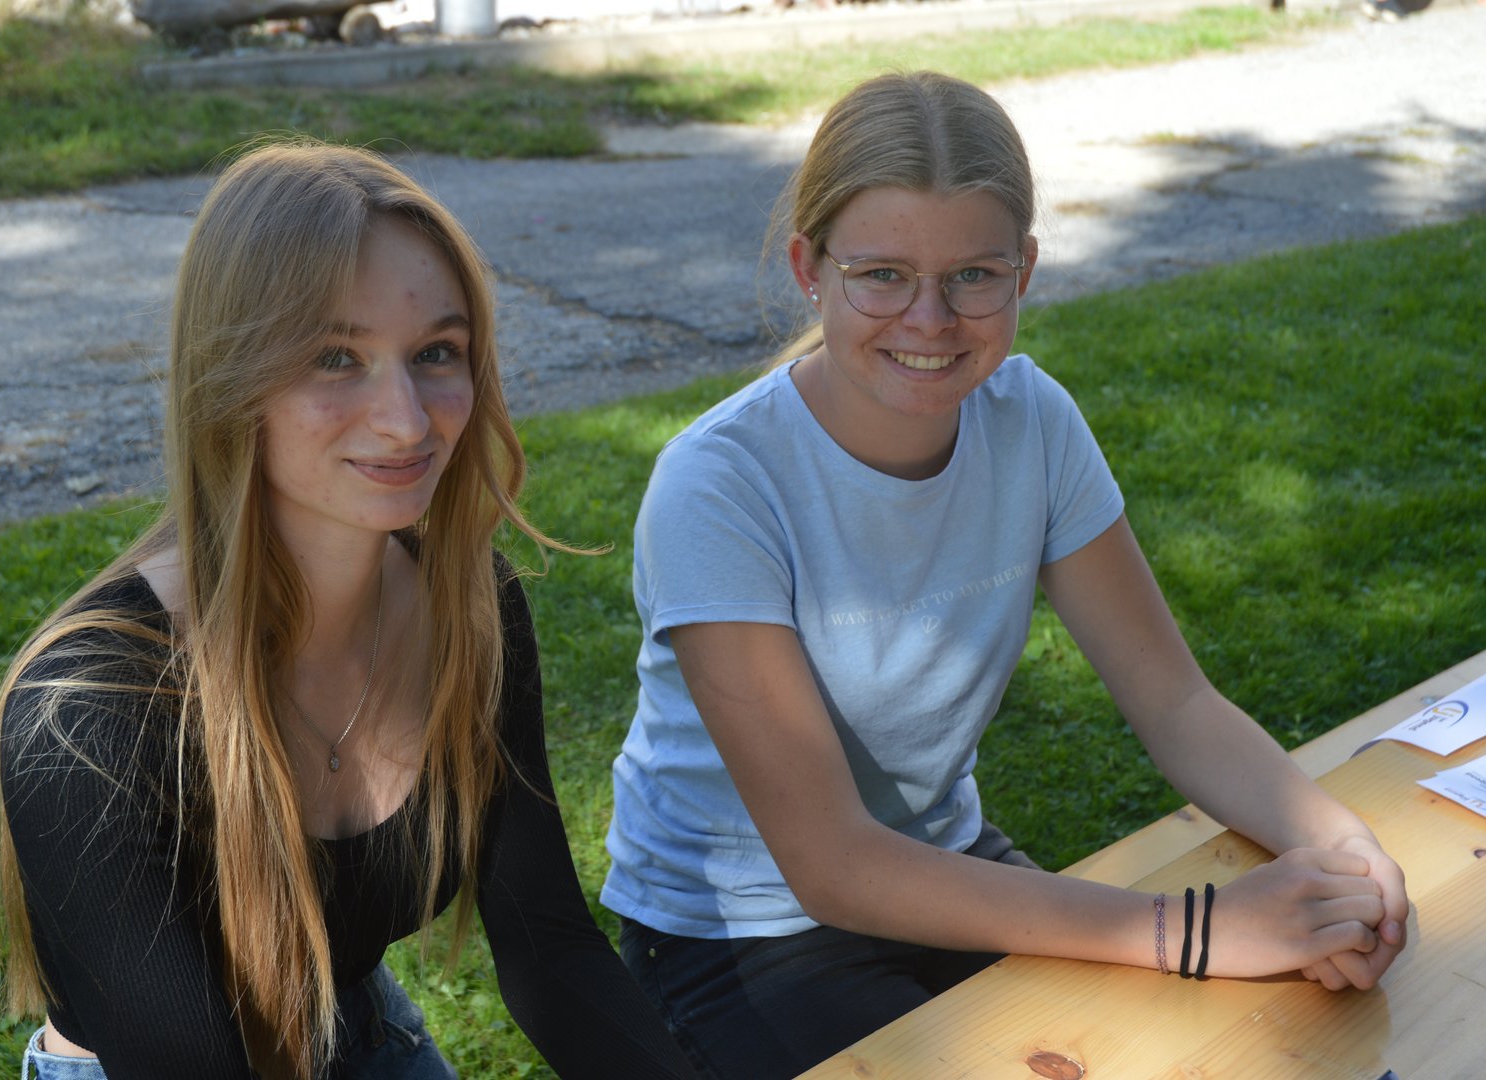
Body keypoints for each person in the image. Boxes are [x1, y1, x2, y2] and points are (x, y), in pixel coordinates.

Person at [599, 72, 1410, 1079]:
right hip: (739, 930)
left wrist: (1343, 847)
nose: (929, 319)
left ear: (1023, 269)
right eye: (882, 275)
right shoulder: (718, 485)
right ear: (809, 267)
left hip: (943, 861)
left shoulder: (1031, 420)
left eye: (973, 276)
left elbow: (1175, 702)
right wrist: (1192, 930)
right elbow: (831, 864)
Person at [0, 140, 697, 1080]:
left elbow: (550, 950)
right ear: (230, 380)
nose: (407, 420)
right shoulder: (89, 710)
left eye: (435, 353)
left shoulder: (471, 608)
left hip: (359, 1026)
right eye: (335, 357)